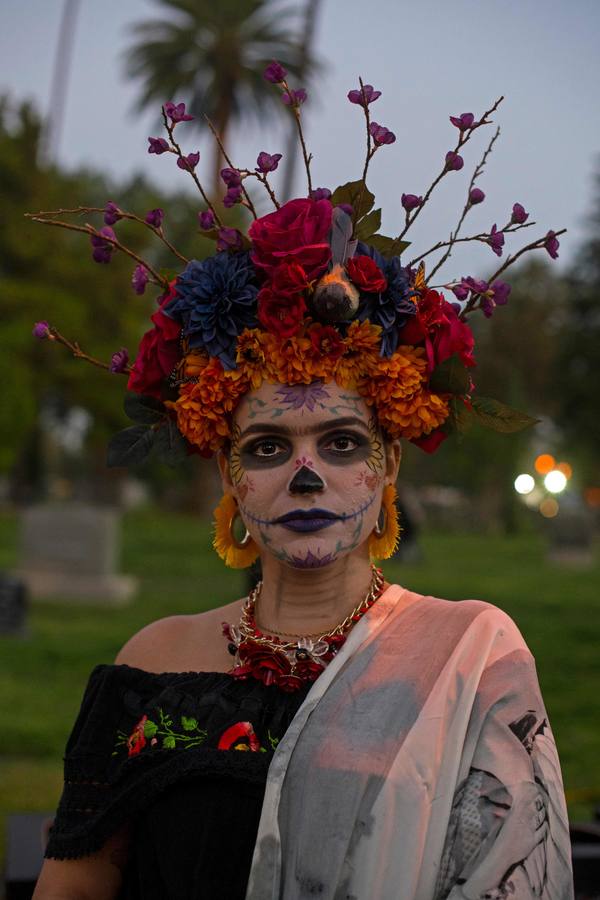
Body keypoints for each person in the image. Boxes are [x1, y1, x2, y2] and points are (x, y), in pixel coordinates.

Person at [31, 70, 573, 899]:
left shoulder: (471, 657)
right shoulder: (154, 663)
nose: (307, 471)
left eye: (343, 440)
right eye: (268, 446)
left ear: (390, 464)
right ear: (229, 475)